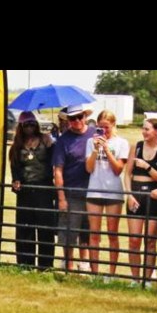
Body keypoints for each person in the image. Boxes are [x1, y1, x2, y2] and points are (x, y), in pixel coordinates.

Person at [84, 110, 129, 278]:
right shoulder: (90, 142)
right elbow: (88, 168)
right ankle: (94, 273)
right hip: (94, 189)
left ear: (113, 125)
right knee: (94, 233)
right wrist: (96, 149)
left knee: (112, 233)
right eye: (100, 127)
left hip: (113, 192)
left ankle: (111, 272)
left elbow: (118, 169)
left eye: (107, 127)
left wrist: (107, 149)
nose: (103, 131)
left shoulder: (121, 143)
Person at [9, 111, 55, 269]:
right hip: (25, 192)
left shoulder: (46, 141)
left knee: (45, 231)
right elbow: (15, 168)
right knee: (24, 230)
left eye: (32, 124)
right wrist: (15, 181)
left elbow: (55, 161)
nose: (30, 127)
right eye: (26, 124)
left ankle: (45, 266)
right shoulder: (16, 146)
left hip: (44, 190)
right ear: (21, 126)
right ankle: (25, 264)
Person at [124, 117, 157, 283]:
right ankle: (135, 279)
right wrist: (129, 194)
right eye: (143, 128)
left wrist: (147, 167)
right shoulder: (136, 147)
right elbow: (127, 174)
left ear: (156, 131)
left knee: (150, 241)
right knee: (134, 239)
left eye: (147, 129)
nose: (144, 132)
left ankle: (147, 279)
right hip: (135, 193)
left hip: (153, 196)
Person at [52, 104, 93, 272]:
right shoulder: (63, 141)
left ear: (85, 117)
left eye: (80, 117)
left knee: (87, 229)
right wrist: (61, 197)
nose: (77, 121)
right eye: (72, 118)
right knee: (69, 230)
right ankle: (68, 264)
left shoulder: (94, 134)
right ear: (68, 121)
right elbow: (58, 170)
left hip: (92, 190)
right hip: (71, 190)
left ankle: (84, 263)